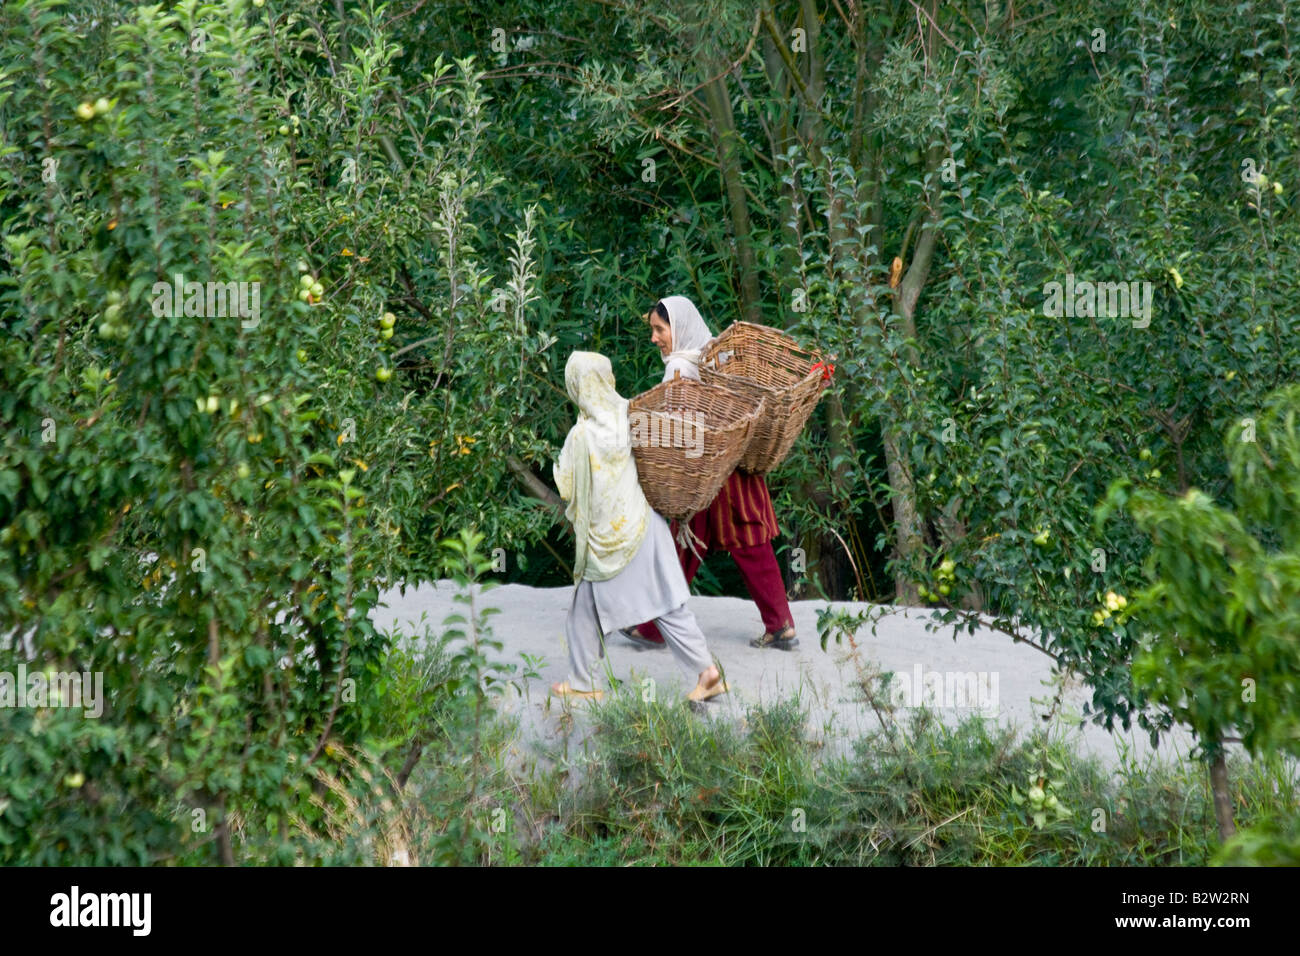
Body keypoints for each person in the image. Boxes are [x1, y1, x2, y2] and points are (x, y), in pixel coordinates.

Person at [621, 296, 799, 651]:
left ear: (680, 328)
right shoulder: (716, 357)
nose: (655, 338)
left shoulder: (680, 369)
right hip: (730, 466)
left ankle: (654, 627)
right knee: (726, 543)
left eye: (660, 329)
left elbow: (679, 426)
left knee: (689, 546)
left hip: (710, 473)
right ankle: (778, 624)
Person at [550, 350, 728, 703]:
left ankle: (584, 683)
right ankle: (707, 674)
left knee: (585, 610)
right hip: (648, 530)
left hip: (610, 544)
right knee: (666, 607)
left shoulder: (581, 435)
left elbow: (568, 488)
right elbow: (677, 440)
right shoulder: (630, 413)